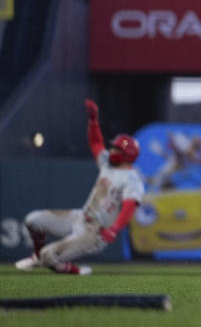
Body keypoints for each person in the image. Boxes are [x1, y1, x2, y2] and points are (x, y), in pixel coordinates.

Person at [14, 99, 144, 275]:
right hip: (81, 217)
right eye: (113, 147)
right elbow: (96, 144)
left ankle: (76, 271)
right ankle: (37, 256)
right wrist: (93, 121)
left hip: (96, 233)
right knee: (33, 220)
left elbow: (130, 206)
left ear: (126, 154)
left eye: (116, 149)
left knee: (49, 255)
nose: (111, 150)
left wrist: (114, 229)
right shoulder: (108, 165)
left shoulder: (132, 178)